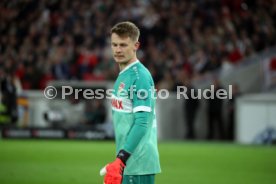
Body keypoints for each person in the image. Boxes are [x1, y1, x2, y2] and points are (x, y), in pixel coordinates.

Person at [100, 21, 161, 184]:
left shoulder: (139, 77)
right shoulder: (125, 74)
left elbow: (142, 123)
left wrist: (121, 159)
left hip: (138, 163)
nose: (118, 50)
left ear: (136, 45)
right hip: (129, 163)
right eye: (114, 45)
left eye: (123, 45)